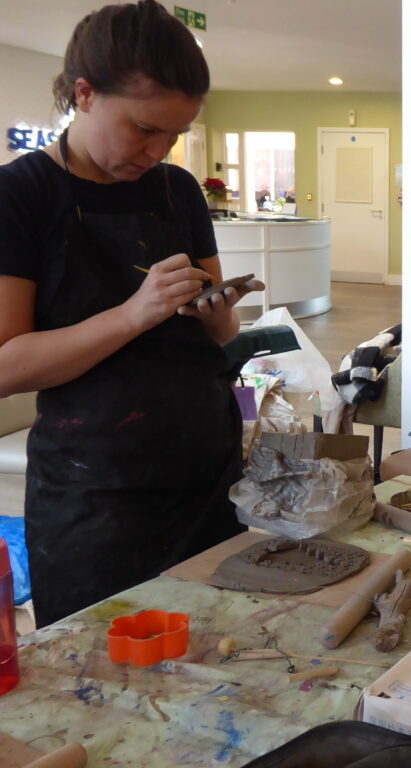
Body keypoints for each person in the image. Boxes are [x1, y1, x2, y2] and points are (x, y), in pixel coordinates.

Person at [0, 1, 264, 626]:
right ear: (84, 95)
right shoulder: (20, 195)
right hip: (95, 492)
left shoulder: (178, 190)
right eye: (145, 129)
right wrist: (132, 315)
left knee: (220, 649)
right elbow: (7, 365)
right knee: (103, 660)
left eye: (175, 134)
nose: (159, 150)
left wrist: (217, 313)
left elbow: (221, 335)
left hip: (207, 470)